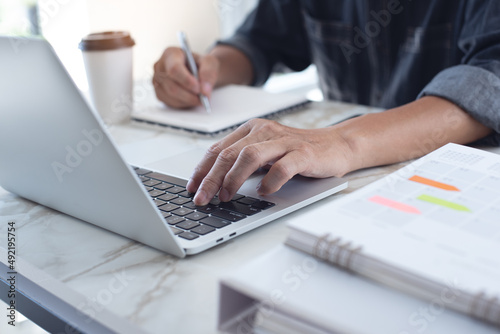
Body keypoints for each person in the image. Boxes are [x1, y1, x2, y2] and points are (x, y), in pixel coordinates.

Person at [153, 0, 500, 207]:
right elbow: (258, 40)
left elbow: (490, 78)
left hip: (449, 183)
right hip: (335, 183)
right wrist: (208, 69)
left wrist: (344, 141)